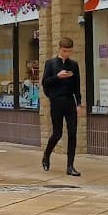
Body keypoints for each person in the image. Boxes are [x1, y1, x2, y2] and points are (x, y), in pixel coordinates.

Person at [41, 37, 82, 176]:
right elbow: (45, 82)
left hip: (70, 101)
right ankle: (47, 154)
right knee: (57, 133)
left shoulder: (74, 65)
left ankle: (70, 166)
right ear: (60, 49)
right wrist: (58, 77)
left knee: (72, 133)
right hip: (57, 102)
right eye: (64, 51)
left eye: (69, 51)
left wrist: (79, 104)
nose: (66, 54)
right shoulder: (51, 63)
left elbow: (77, 85)